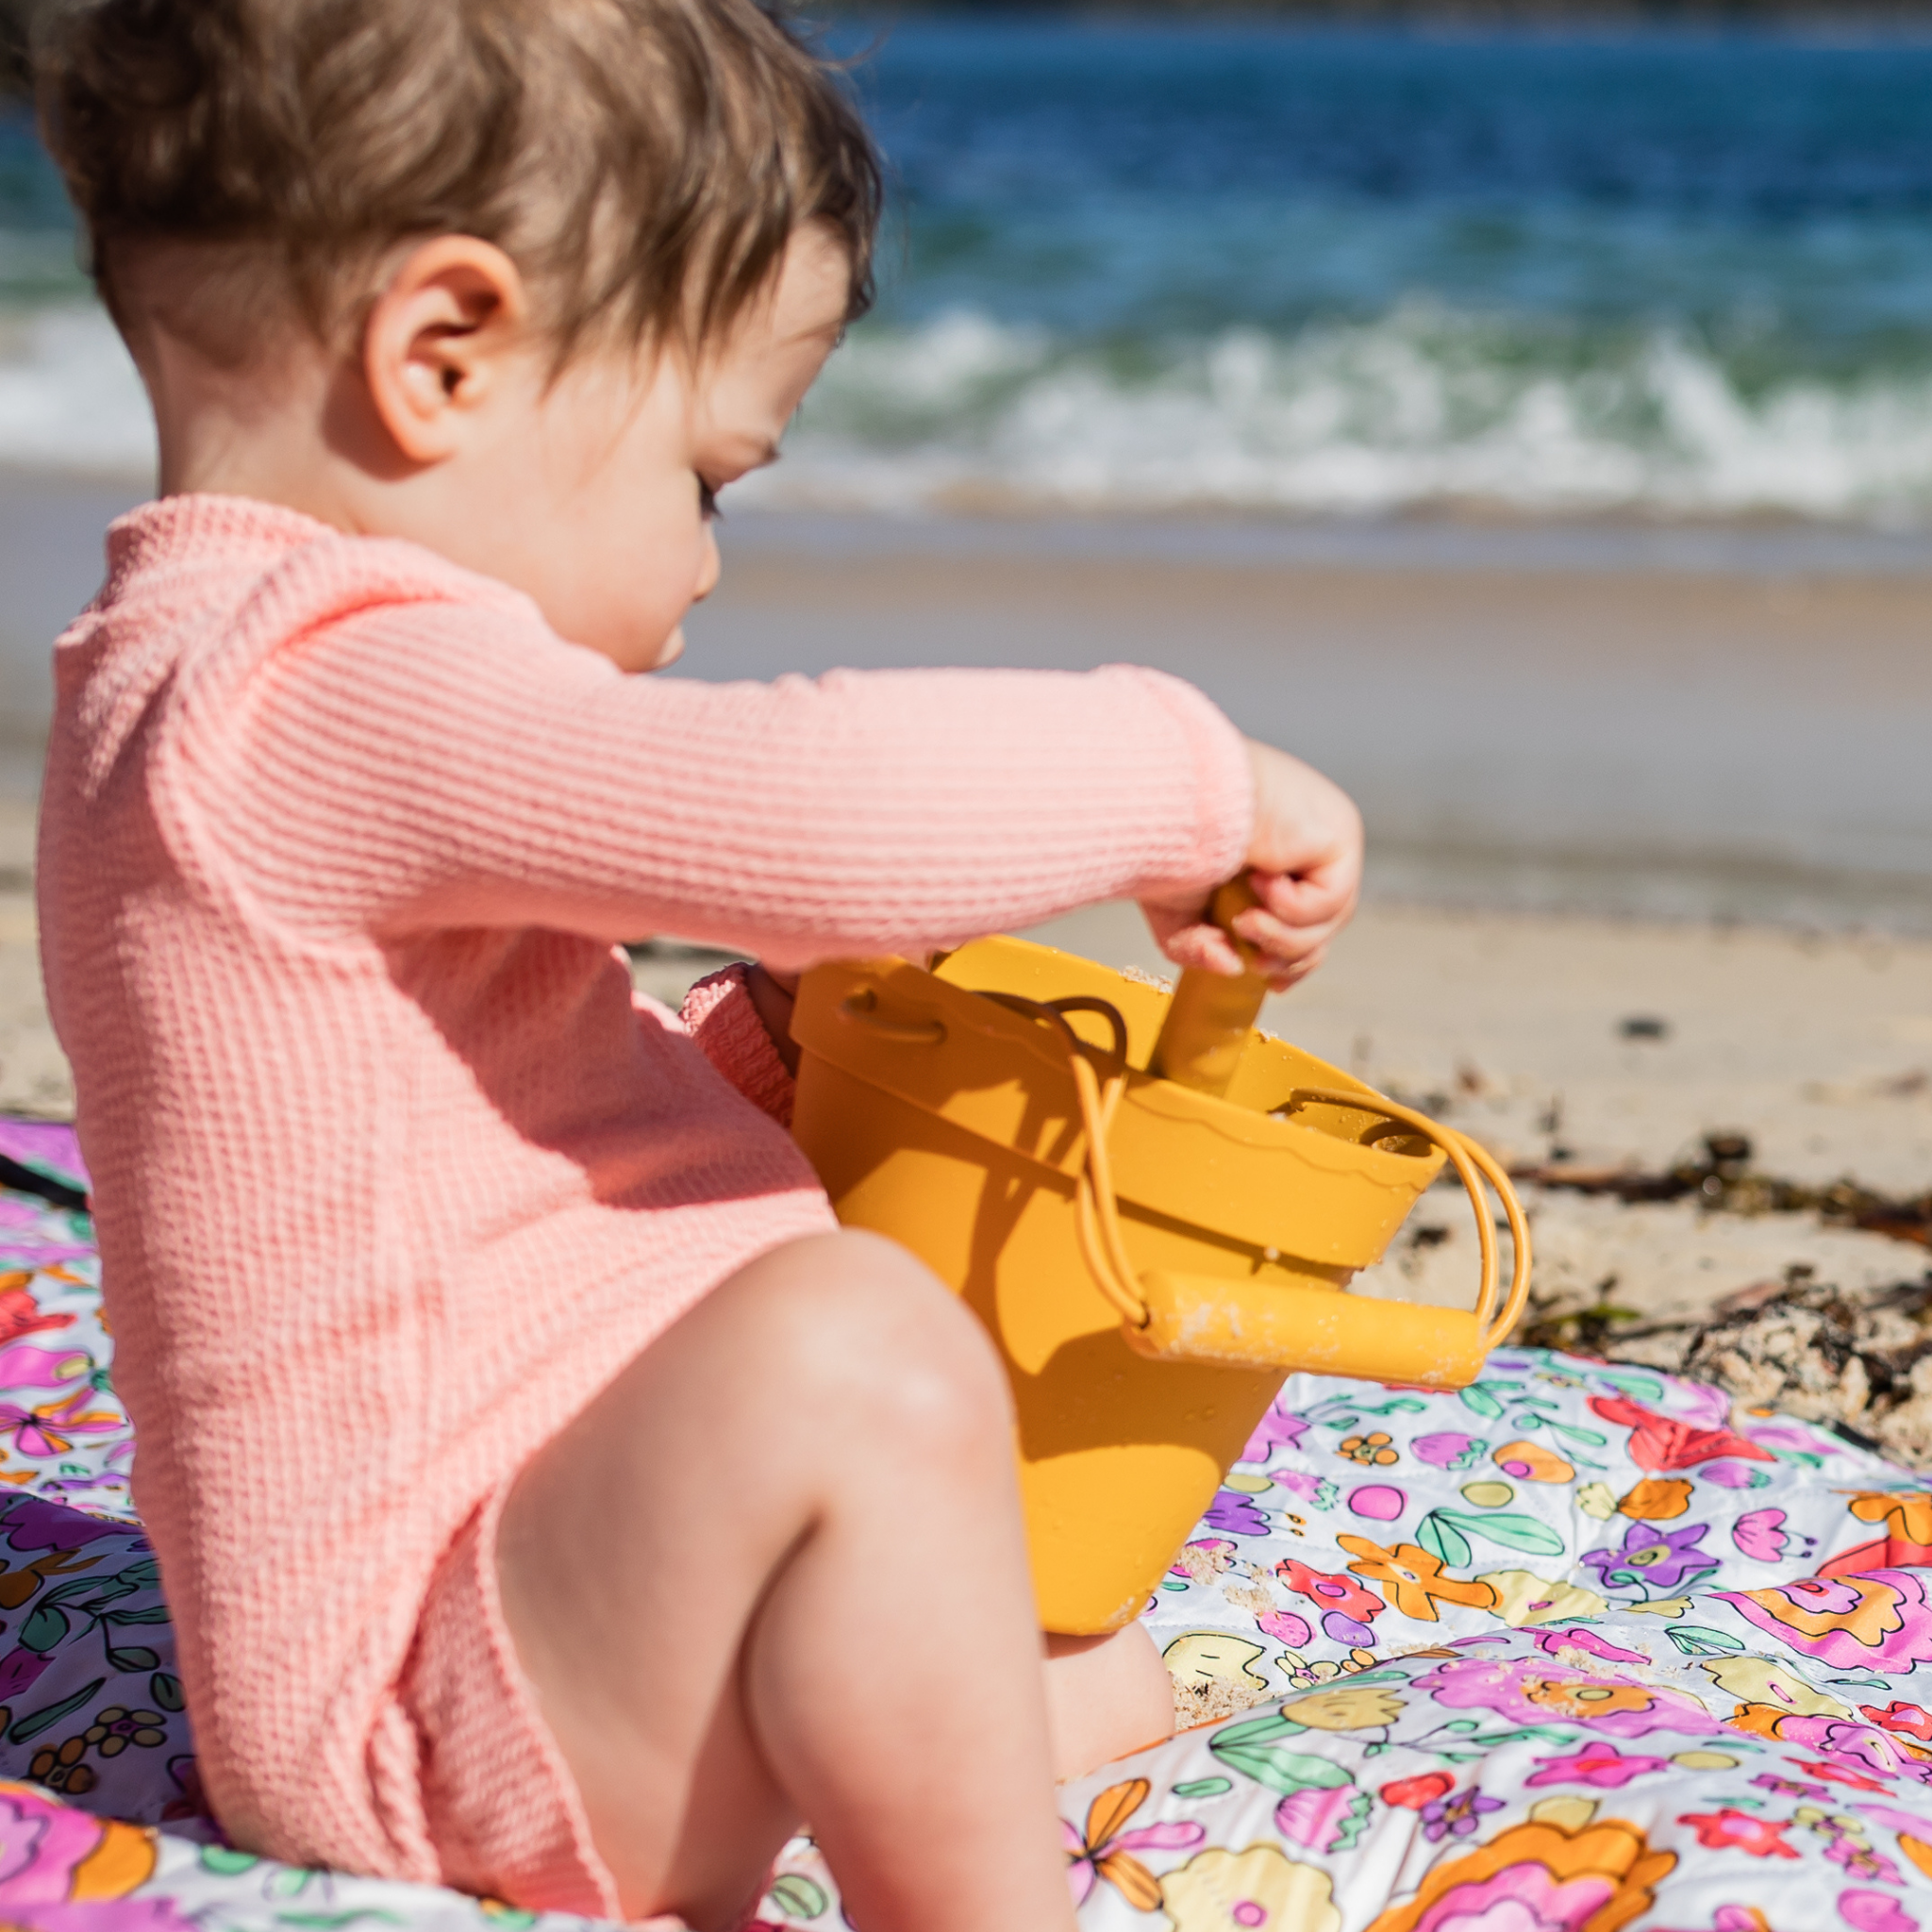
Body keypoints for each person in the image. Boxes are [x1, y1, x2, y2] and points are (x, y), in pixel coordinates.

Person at [31, 4, 1363, 1928]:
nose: (711, 563)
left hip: (557, 1600)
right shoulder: (305, 687)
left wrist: (752, 1057)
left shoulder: (220, 678)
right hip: (435, 1697)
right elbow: (809, 810)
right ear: (443, 355)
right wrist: (1182, 774)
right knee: (858, 1346)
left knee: (1092, 1671)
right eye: (706, 475)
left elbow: (502, 1122)